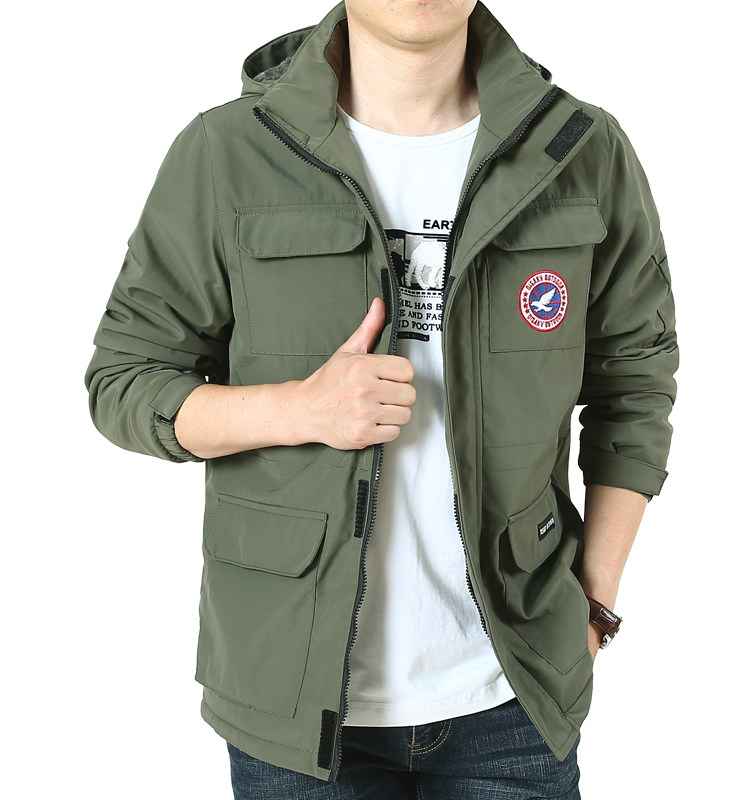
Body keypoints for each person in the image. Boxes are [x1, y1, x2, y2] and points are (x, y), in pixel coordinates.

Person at [86, 1, 678, 797]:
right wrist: (298, 409)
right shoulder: (228, 152)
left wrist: (594, 604)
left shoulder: (580, 150)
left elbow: (635, 381)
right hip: (291, 708)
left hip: (514, 695)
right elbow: (125, 380)